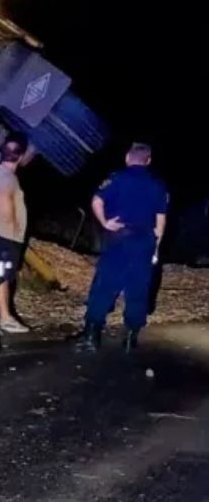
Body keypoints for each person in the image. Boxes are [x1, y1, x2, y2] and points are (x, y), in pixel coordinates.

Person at [75, 143, 168, 354]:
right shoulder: (158, 185)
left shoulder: (116, 177)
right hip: (144, 240)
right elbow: (160, 222)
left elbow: (97, 200)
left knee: (105, 285)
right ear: (148, 161)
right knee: (138, 288)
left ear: (128, 157)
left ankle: (91, 336)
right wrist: (156, 248)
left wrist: (105, 222)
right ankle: (130, 337)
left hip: (119, 238)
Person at [0, 135, 31, 333]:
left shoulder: (1, 173)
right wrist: (13, 238)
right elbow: (5, 210)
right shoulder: (6, 178)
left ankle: (5, 318)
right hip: (3, 238)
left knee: (1, 278)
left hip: (0, 237)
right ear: (20, 157)